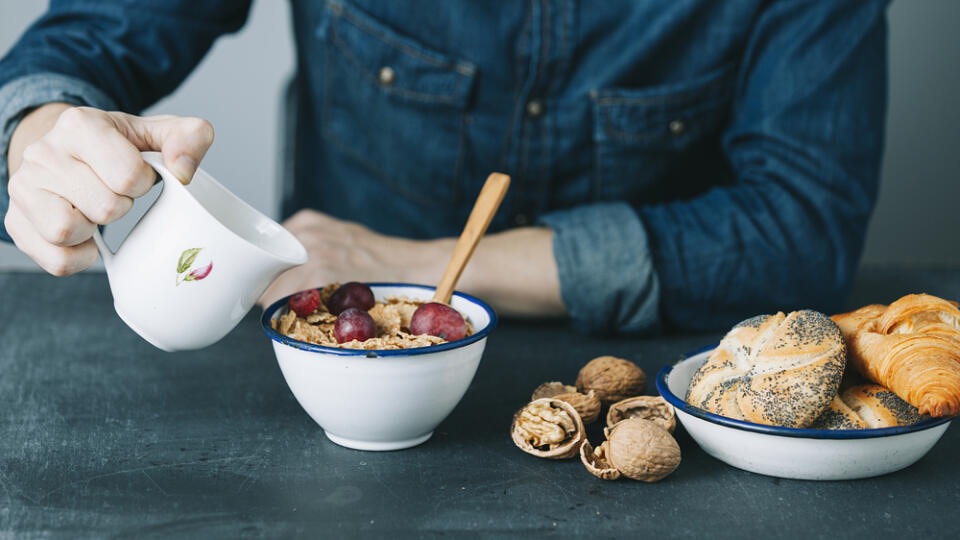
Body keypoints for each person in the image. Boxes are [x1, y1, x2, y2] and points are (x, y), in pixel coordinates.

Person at [0, 1, 889, 333]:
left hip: (660, 378)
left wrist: (396, 268)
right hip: (328, 373)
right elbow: (88, 37)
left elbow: (800, 226)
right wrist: (38, 132)